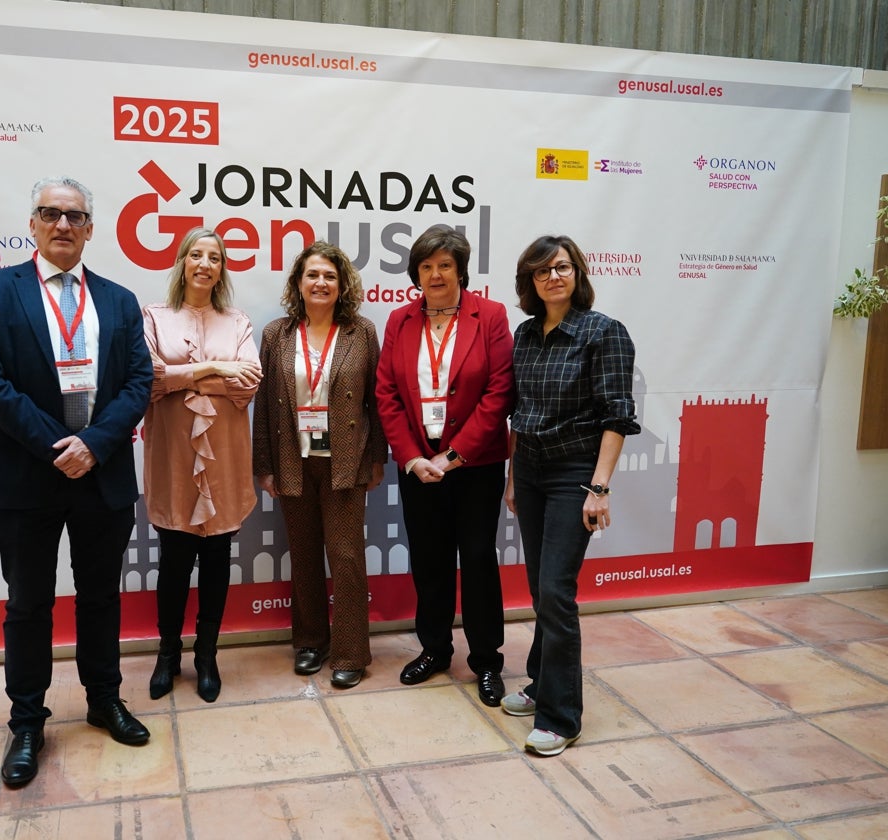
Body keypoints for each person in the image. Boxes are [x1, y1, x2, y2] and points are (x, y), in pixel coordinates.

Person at [0, 176, 154, 788]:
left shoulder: (121, 301)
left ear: (90, 229)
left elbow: (138, 383)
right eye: (51, 214)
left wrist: (94, 446)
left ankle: (104, 700)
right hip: (27, 474)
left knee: (101, 595)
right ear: (34, 223)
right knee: (28, 602)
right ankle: (26, 722)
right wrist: (58, 448)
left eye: (75, 216)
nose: (63, 225)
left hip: (101, 473)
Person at [502, 234, 640, 757]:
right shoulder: (526, 334)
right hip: (532, 468)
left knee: (557, 590)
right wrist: (514, 477)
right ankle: (541, 683)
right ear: (530, 283)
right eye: (541, 272)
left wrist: (599, 488)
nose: (552, 278)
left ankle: (561, 717)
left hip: (574, 472)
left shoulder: (603, 332)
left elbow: (617, 416)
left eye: (560, 268)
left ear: (577, 273)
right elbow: (519, 413)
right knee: (541, 587)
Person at [375, 224, 515, 707]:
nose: (434, 274)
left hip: (475, 466)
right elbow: (387, 394)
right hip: (419, 467)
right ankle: (434, 650)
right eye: (426, 266)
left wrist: (453, 456)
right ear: (416, 273)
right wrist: (413, 458)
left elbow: (499, 392)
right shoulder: (399, 320)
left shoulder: (490, 315)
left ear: (460, 270)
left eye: (444, 265)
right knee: (429, 561)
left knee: (477, 559)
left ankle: (486, 662)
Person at [253, 241, 387, 689]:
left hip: (345, 460)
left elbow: (377, 401)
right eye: (312, 275)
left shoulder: (362, 332)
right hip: (294, 457)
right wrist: (265, 466)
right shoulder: (276, 334)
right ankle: (311, 641)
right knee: (305, 556)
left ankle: (351, 651)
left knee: (346, 557)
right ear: (298, 283)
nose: (321, 282)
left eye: (330, 275)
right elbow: (266, 409)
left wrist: (377, 458)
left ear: (341, 284)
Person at [141, 227, 261, 703]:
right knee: (173, 561)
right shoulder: (153, 316)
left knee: (216, 561)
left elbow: (248, 381)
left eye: (215, 257)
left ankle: (207, 653)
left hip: (224, 459)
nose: (205, 263)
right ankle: (167, 653)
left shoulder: (237, 321)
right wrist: (215, 370)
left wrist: (183, 379)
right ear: (183, 262)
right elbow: (148, 378)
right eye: (197, 254)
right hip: (173, 456)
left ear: (222, 269)